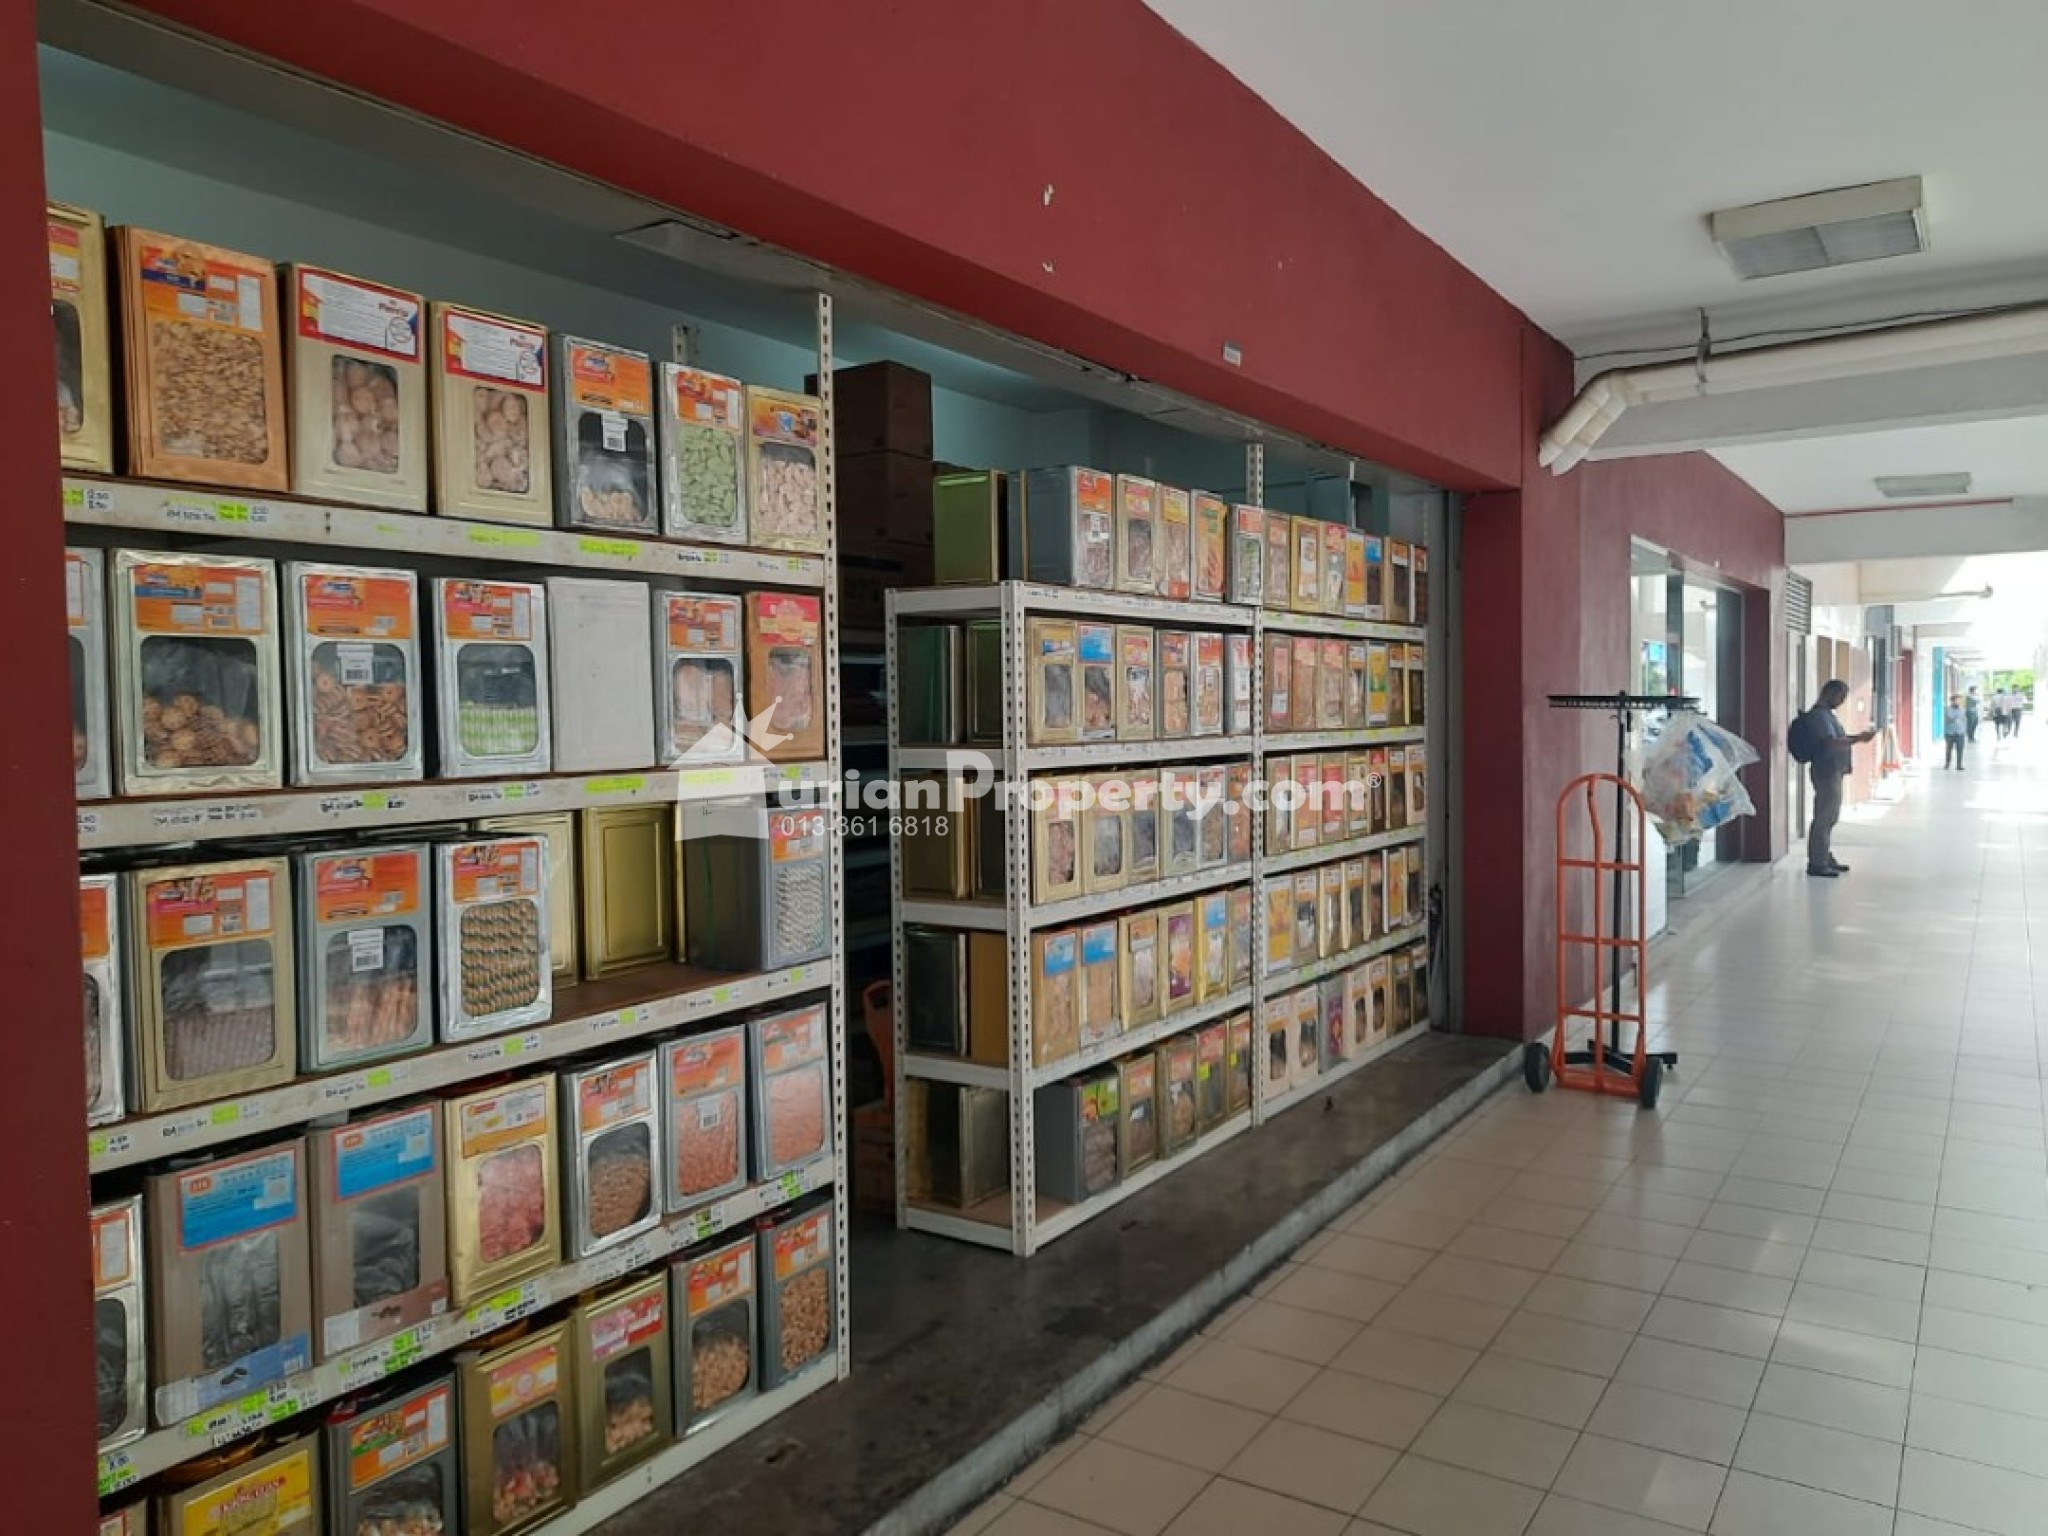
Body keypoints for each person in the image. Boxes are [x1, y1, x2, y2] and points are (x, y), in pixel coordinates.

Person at [1799, 679, 1875, 878]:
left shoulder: (1826, 716)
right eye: (1840, 697)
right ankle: (1817, 862)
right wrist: (1858, 739)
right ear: (1829, 694)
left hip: (1832, 770)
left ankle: (1824, 856)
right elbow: (1830, 743)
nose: (1841, 701)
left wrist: (1855, 738)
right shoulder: (1819, 716)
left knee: (1829, 817)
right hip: (1827, 771)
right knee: (1824, 818)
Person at [1944, 695, 1967, 770]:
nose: (1959, 702)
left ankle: (1959, 765)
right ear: (1952, 701)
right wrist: (1957, 717)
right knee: (1949, 749)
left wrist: (1964, 730)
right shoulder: (1948, 709)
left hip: (1960, 732)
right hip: (1950, 733)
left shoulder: (1962, 709)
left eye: (1959, 700)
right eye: (1957, 700)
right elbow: (1950, 717)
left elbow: (1964, 719)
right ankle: (1947, 763)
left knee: (1960, 750)